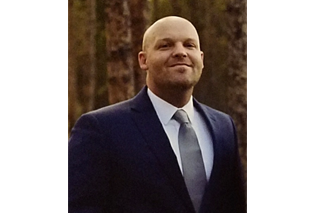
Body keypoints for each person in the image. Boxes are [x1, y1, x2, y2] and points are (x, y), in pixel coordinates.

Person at [69, 16, 246, 213]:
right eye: (165, 46)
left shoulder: (223, 127)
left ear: (201, 59)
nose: (180, 52)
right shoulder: (101, 129)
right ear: (143, 60)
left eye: (189, 45)